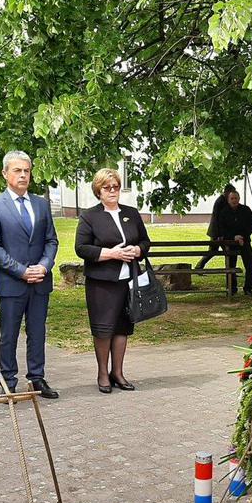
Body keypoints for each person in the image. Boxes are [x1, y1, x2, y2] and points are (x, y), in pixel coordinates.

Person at [0, 151, 60, 397]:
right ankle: (8, 380)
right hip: (12, 283)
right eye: (17, 170)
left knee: (38, 333)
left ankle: (37, 377)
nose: (23, 175)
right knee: (9, 335)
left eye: (27, 170)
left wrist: (45, 266)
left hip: (40, 281)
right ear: (5, 173)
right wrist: (21, 271)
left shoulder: (41, 204)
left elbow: (51, 240)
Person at [74, 167, 151, 393]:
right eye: (107, 188)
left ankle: (118, 372)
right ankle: (102, 373)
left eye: (116, 187)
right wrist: (111, 253)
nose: (112, 191)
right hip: (102, 282)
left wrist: (137, 250)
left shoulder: (131, 213)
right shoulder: (90, 216)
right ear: (98, 190)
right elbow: (81, 248)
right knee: (103, 328)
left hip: (128, 280)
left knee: (122, 328)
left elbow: (146, 242)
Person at [217, 190, 252, 295]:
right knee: (230, 265)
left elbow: (251, 226)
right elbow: (222, 229)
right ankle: (231, 288)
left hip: (244, 240)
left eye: (236, 198)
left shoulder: (246, 210)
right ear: (228, 200)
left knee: (250, 265)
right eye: (232, 198)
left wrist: (242, 237)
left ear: (239, 199)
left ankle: (248, 288)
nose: (234, 200)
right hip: (230, 242)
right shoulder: (224, 212)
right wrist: (234, 237)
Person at [195, 184, 234, 269]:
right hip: (217, 233)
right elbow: (217, 219)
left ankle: (230, 270)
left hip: (217, 232)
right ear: (227, 192)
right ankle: (230, 270)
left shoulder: (222, 200)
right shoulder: (221, 201)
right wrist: (219, 234)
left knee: (216, 251)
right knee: (219, 251)